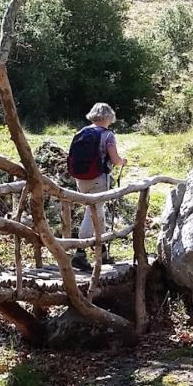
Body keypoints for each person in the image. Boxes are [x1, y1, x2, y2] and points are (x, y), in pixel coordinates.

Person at [67, 103, 127, 271]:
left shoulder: (82, 132)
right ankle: (80, 252)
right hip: (98, 179)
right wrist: (123, 162)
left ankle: (102, 253)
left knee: (97, 211)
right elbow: (115, 160)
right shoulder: (107, 135)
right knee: (92, 212)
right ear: (108, 117)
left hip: (80, 179)